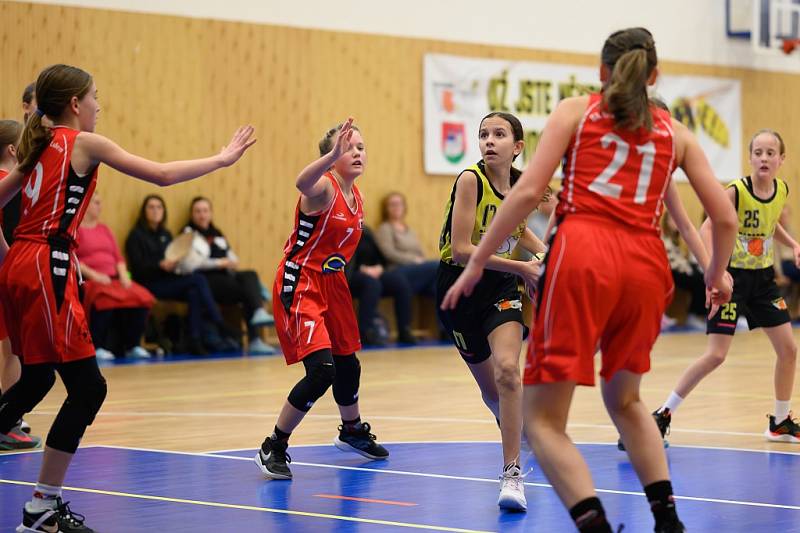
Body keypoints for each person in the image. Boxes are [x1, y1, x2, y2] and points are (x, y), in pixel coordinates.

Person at [441, 28, 737, 532]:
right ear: (655, 76)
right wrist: (717, 274)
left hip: (584, 255)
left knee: (543, 420)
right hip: (646, 266)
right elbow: (724, 220)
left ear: (602, 72)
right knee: (628, 400)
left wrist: (476, 260)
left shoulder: (577, 111)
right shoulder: (676, 133)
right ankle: (668, 521)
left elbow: (528, 190)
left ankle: (594, 525)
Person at [0, 63, 255, 532]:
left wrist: (12, 256)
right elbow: (159, 174)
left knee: (38, 380)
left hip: (24, 263)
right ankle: (41, 507)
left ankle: (42, 507)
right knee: (86, 387)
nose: (101, 104)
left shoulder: (36, 146)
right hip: (45, 266)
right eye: (95, 95)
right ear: (75, 104)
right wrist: (220, 159)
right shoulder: (81, 142)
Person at [255, 118, 388, 481]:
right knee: (322, 371)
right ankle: (274, 445)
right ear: (331, 157)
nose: (358, 152)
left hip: (333, 283)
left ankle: (352, 430)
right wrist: (330, 155)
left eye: (361, 146)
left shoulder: (354, 194)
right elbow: (301, 182)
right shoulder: (323, 189)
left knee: (349, 364)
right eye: (349, 147)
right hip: (302, 281)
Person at [654, 129, 800, 445]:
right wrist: (714, 271)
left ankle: (780, 421)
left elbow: (769, 222)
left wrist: (793, 243)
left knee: (788, 349)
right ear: (749, 158)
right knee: (716, 356)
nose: (764, 158)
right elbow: (707, 228)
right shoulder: (736, 191)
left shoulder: (781, 190)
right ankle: (664, 413)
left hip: (763, 282)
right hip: (731, 278)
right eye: (758, 152)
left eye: (770, 153)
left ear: (781, 159)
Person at [436, 111, 547, 511]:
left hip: (501, 287)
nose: (489, 140)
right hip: (458, 288)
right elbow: (465, 250)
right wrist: (524, 267)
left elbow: (517, 230)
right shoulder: (470, 180)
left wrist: (545, 254)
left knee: (507, 372)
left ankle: (512, 474)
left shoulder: (523, 186)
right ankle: (512, 424)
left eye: (499, 134)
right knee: (490, 391)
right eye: (483, 134)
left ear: (517, 147)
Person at [126, 195, 241, 355]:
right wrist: (159, 265)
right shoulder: (136, 236)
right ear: (144, 211)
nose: (155, 211)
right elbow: (137, 269)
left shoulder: (166, 234)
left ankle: (195, 339)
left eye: (159, 207)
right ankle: (219, 322)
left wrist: (176, 264)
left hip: (168, 280)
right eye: (151, 207)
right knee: (198, 279)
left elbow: (175, 257)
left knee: (194, 290)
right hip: (148, 283)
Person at [181, 196, 277, 355]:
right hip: (205, 281)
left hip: (225, 279)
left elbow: (232, 257)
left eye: (205, 211)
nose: (202, 215)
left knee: (249, 275)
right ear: (192, 215)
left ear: (210, 213)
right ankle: (258, 308)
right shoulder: (187, 234)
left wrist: (230, 262)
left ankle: (255, 335)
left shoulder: (217, 233)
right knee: (248, 290)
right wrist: (219, 263)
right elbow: (191, 263)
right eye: (197, 211)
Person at [0, 119, 42, 451]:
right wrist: (11, 262)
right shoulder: (9, 183)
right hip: (6, 273)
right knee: (12, 349)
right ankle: (8, 423)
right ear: (14, 149)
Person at [77, 192, 155, 360]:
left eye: (100, 202)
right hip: (92, 280)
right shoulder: (76, 229)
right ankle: (97, 346)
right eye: (96, 202)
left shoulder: (104, 229)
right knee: (103, 299)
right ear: (86, 204)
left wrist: (124, 276)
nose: (100, 206)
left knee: (142, 297)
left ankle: (132, 345)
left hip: (113, 279)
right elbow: (74, 258)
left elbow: (118, 258)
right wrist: (95, 275)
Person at [347, 224, 416, 346]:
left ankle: (404, 329)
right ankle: (365, 331)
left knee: (399, 282)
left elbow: (379, 256)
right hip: (350, 275)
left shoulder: (366, 231)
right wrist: (362, 269)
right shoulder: (343, 229)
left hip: (372, 272)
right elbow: (344, 259)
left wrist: (379, 267)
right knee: (372, 284)